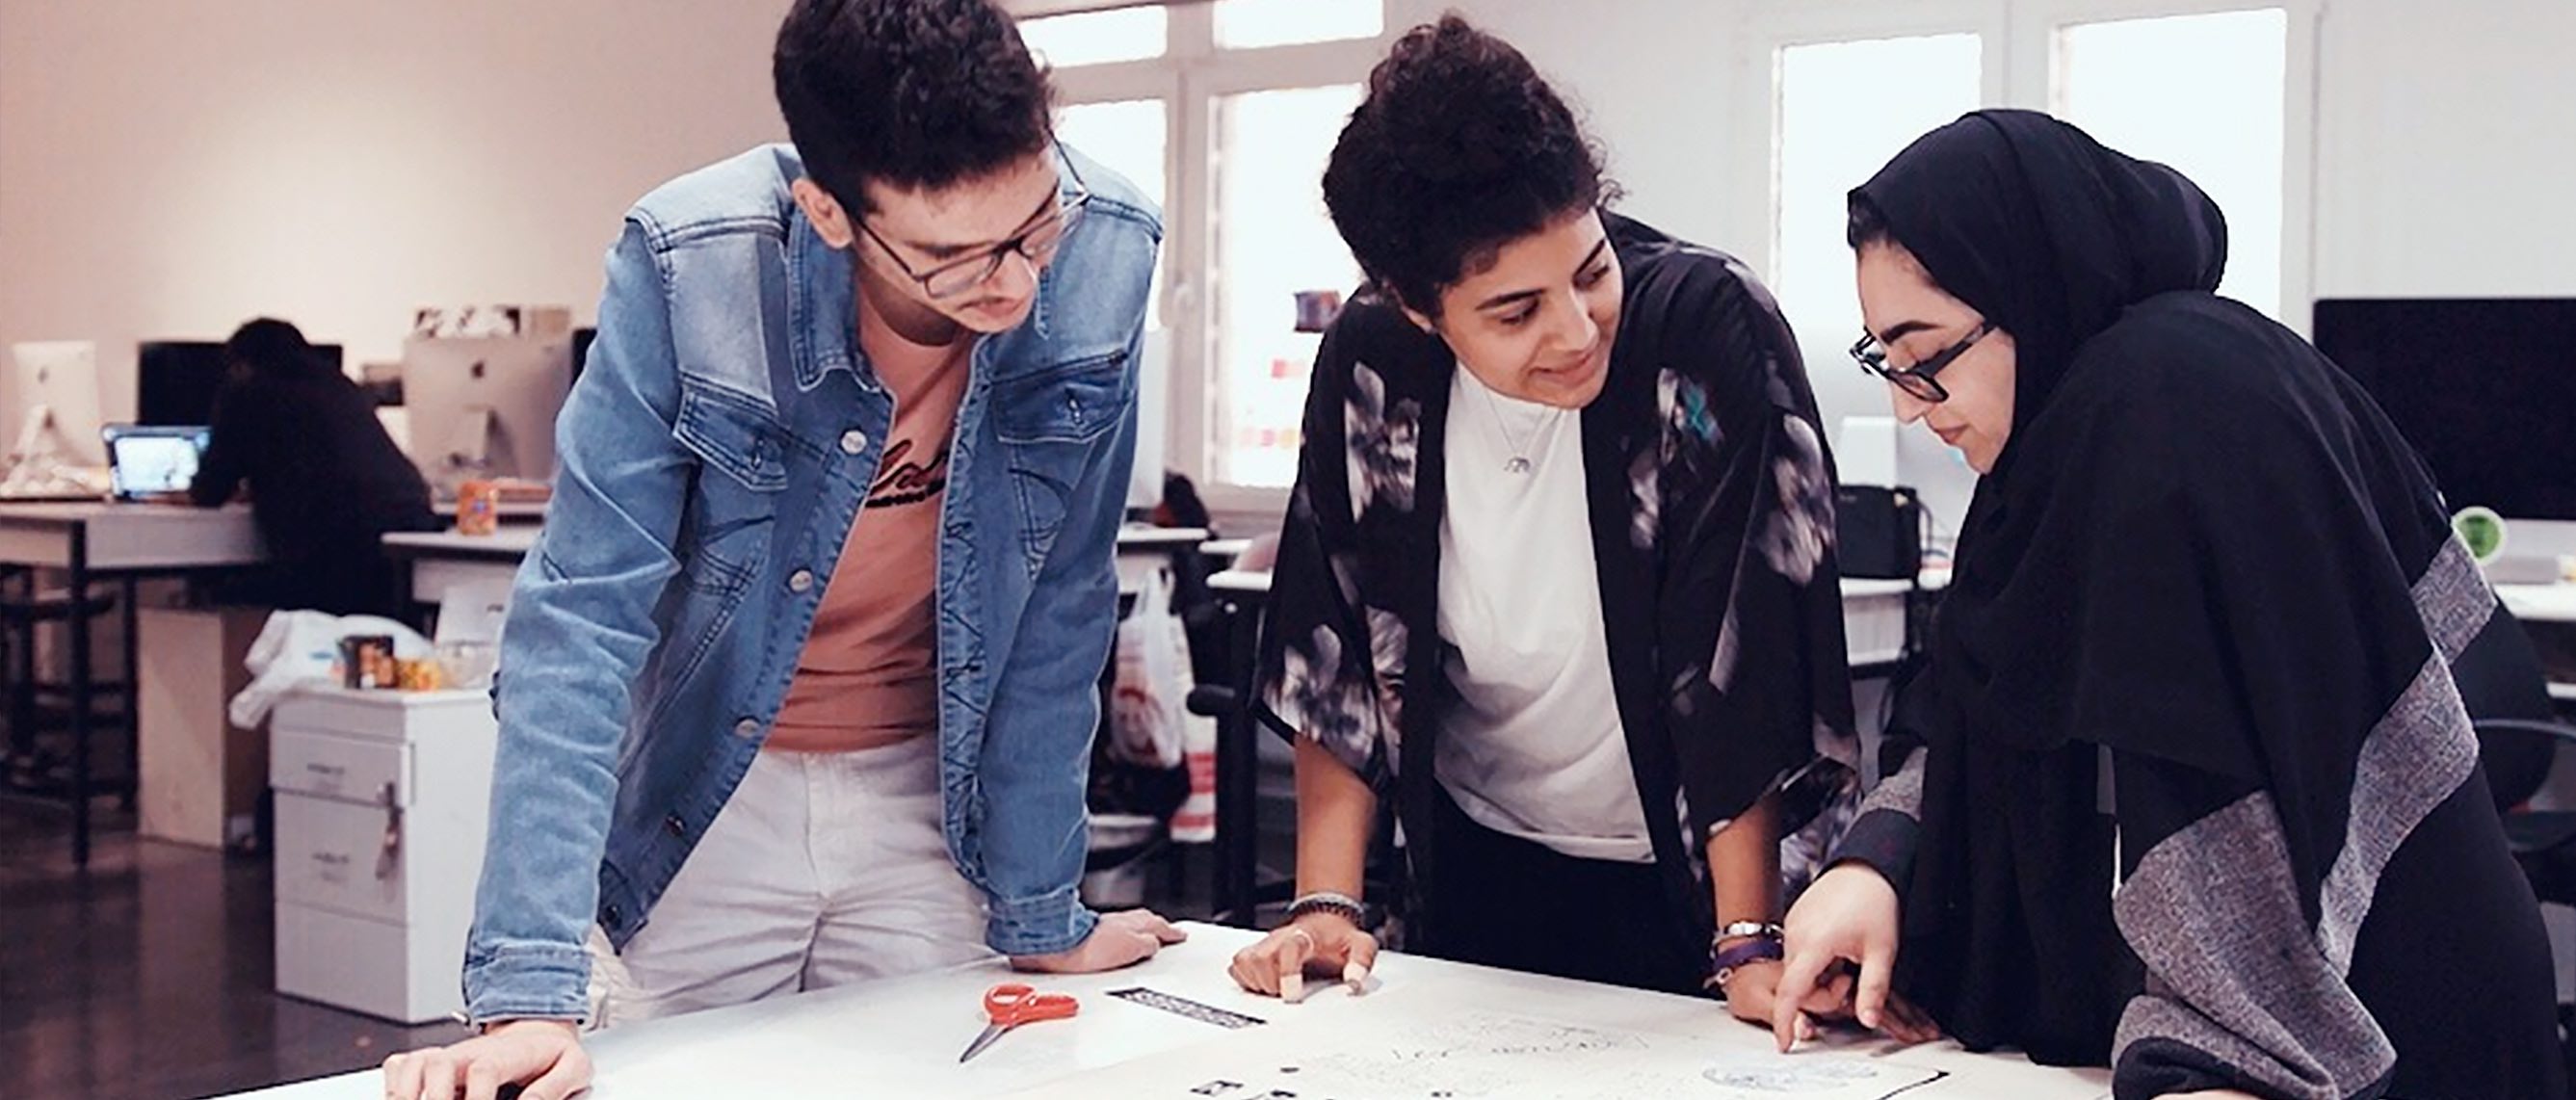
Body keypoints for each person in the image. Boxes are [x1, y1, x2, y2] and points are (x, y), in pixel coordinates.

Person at [381, 2, 1176, 1097]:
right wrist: (530, 994)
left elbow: (1062, 602)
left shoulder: (1108, 243)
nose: (1015, 284)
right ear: (827, 211)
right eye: (952, 258)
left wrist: (1043, 909)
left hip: (928, 793)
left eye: (1033, 226)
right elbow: (581, 617)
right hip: (708, 792)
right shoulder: (692, 263)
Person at [1772, 111, 2566, 1100]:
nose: (1904, 402)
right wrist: (1873, 864)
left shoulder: (2168, 403)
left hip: (2381, 1010)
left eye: (1923, 352)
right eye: (1883, 356)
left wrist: (2222, 1052)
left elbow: (2217, 773)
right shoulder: (2050, 458)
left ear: (2030, 289)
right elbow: (1984, 702)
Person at [1223, 15, 1858, 1026]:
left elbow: (1747, 656)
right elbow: (1333, 640)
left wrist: (1748, 938)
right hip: (1479, 855)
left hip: (1696, 877)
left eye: (1591, 270)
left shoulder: (1701, 327)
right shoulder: (1374, 361)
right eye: (1514, 311)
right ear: (1416, 307)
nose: (1573, 330)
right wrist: (1326, 906)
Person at [187, 317, 442, 617]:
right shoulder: (342, 387)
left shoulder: (247, 392)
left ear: (242, 364)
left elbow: (210, 490)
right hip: (404, 532)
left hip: (332, 548)